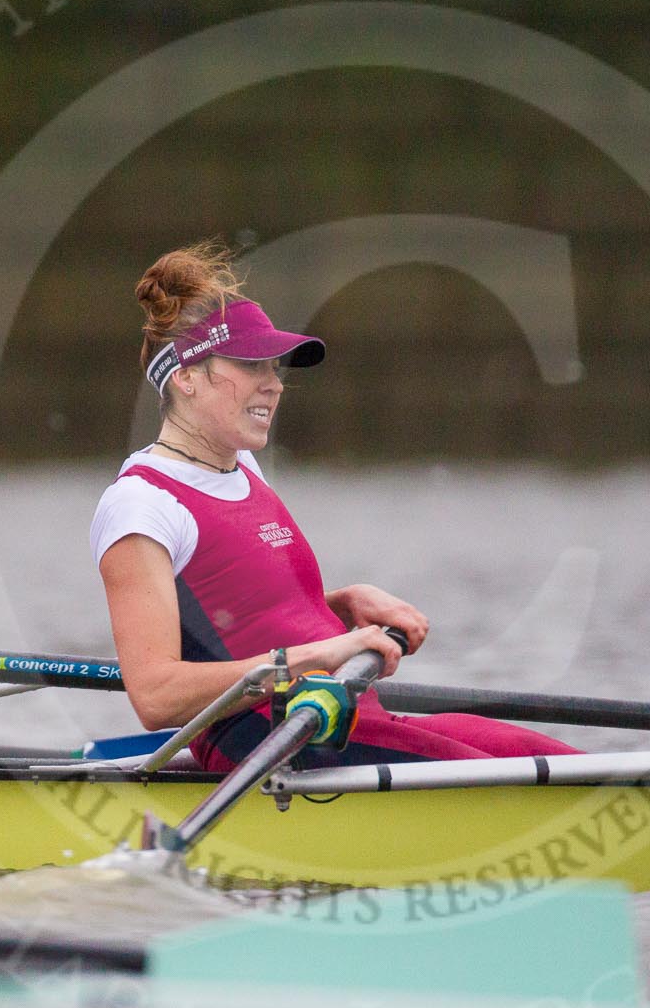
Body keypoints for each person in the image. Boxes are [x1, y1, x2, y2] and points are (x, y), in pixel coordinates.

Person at [92, 243, 575, 769]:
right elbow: (157, 696)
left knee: (560, 759)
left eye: (275, 368)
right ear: (185, 376)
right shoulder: (141, 506)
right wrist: (324, 654)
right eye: (252, 365)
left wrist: (340, 605)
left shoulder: (241, 469)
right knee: (545, 784)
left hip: (339, 718)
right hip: (267, 743)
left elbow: (235, 615)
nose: (274, 384)